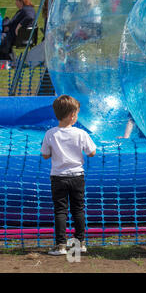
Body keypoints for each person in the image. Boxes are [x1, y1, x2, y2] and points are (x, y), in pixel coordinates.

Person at [41, 95, 97, 256]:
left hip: (58, 177)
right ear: (73, 115)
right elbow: (92, 152)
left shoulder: (50, 134)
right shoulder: (80, 133)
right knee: (78, 209)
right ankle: (80, 243)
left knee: (60, 210)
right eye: (77, 113)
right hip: (77, 176)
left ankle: (60, 245)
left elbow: (45, 155)